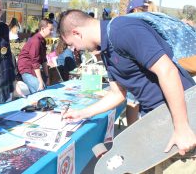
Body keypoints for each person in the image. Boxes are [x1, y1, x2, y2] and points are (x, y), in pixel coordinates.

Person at [59, 10, 196, 157]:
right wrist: (82, 113)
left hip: (183, 116)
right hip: (159, 118)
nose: (76, 49)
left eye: (72, 44)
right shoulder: (106, 50)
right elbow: (117, 93)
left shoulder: (121, 30)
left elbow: (167, 71)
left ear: (77, 33)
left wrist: (182, 127)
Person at [17, 19, 53, 94]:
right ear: (42, 29)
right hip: (26, 69)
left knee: (44, 87)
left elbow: (44, 60)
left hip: (33, 69)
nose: (52, 32)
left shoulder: (42, 40)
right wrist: (40, 81)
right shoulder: (35, 41)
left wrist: (47, 77)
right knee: (40, 90)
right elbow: (35, 62)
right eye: (50, 29)